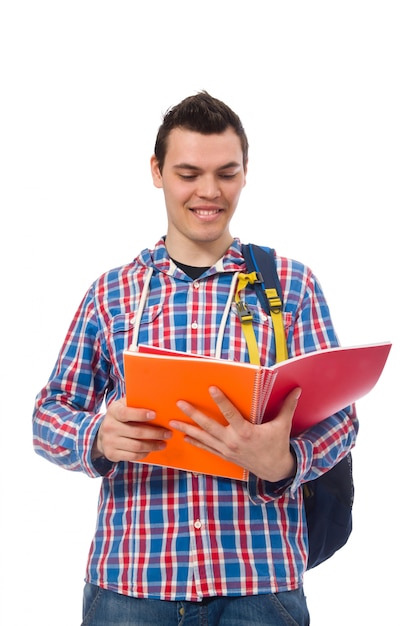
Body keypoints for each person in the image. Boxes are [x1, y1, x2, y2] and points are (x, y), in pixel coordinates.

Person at [33, 91, 358, 626]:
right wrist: (97, 437)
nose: (209, 192)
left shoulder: (291, 287)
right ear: (157, 172)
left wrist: (288, 462)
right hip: (131, 586)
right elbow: (49, 414)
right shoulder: (111, 293)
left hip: (261, 585)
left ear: (246, 173)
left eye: (226, 173)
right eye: (189, 173)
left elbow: (341, 418)